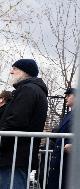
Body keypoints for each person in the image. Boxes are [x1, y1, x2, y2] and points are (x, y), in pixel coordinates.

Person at [0, 59, 48, 189]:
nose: (11, 72)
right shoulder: (31, 89)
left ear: (24, 72)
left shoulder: (28, 90)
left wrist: (1, 140)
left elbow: (16, 121)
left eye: (14, 69)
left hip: (14, 156)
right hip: (16, 156)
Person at [46, 88, 76, 189]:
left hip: (70, 160)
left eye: (69, 95)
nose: (66, 98)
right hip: (60, 157)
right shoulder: (68, 115)